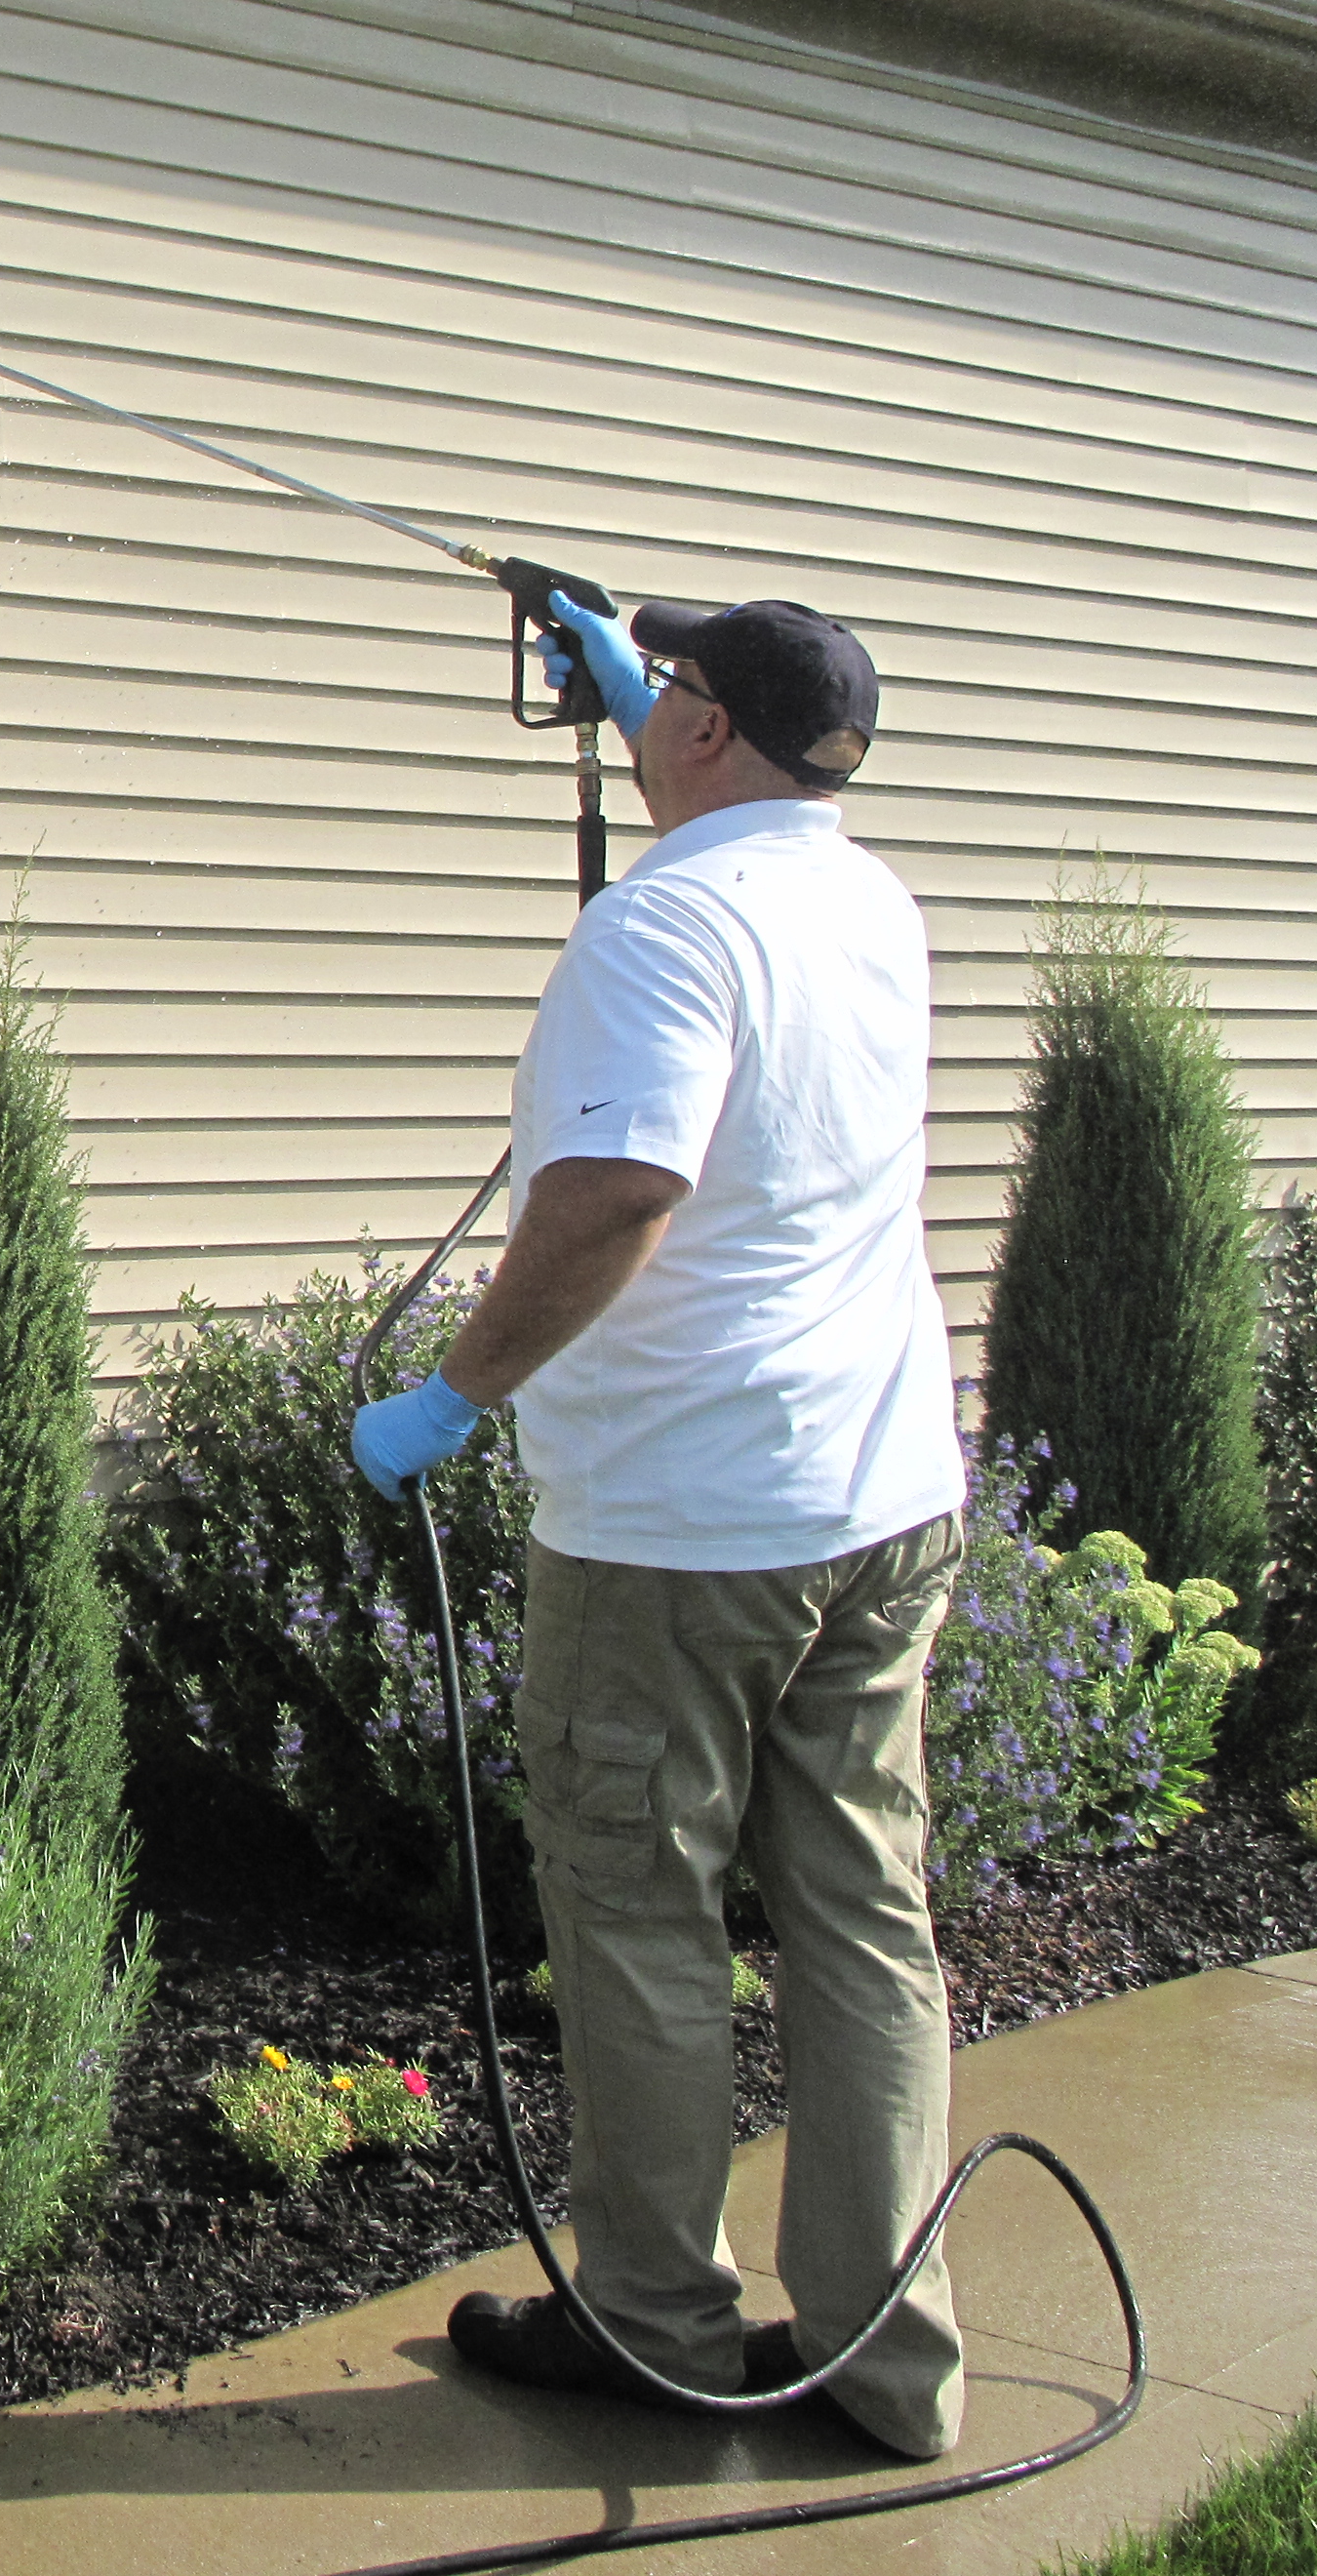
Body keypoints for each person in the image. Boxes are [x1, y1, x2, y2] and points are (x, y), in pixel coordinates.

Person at [347, 587, 969, 2464]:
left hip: (684, 1533)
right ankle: (883, 2368)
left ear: (706, 733)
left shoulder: (664, 925)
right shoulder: (868, 898)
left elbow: (619, 1189)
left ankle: (659, 2332)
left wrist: (457, 1392)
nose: (645, 702)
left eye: (667, 686)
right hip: (882, 1497)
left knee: (637, 1914)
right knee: (863, 1917)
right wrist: (652, 712)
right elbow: (730, 824)